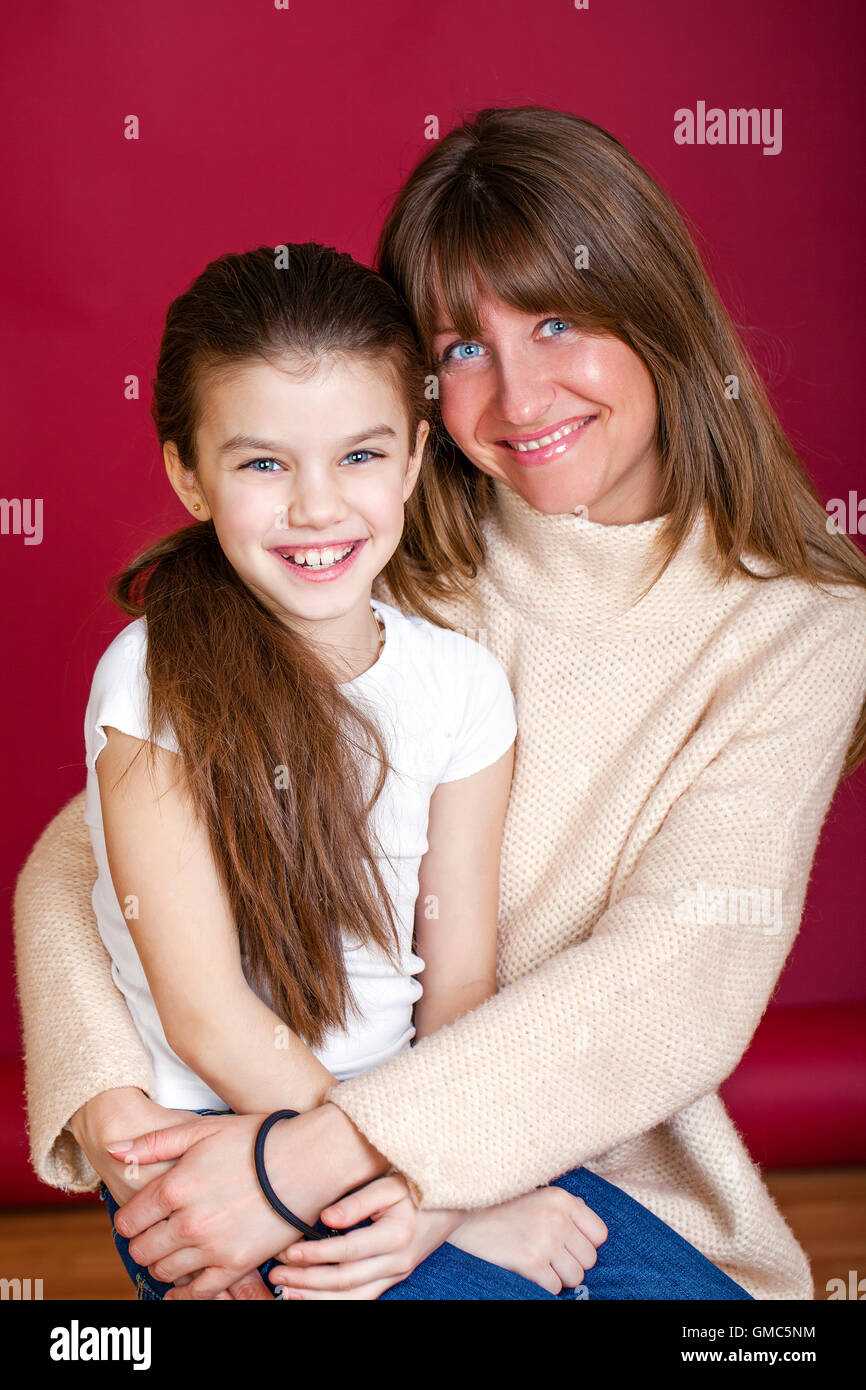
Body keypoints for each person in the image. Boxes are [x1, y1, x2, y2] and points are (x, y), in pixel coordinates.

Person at [15, 106, 866, 1302]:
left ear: (658, 311)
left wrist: (396, 1169)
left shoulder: (801, 634)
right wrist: (113, 1101)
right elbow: (84, 853)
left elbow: (675, 972)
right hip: (232, 1135)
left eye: (558, 321)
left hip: (575, 1165)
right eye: (464, 346)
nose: (519, 394)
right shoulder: (382, 550)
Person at [80, 237, 616, 1301]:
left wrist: (448, 1175)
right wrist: (408, 1179)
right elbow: (207, 1016)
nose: (318, 508)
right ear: (189, 473)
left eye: (360, 457)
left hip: (407, 1118)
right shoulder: (149, 682)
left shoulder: (462, 687)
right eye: (263, 463)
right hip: (218, 1138)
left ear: (416, 460)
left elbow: (456, 980)